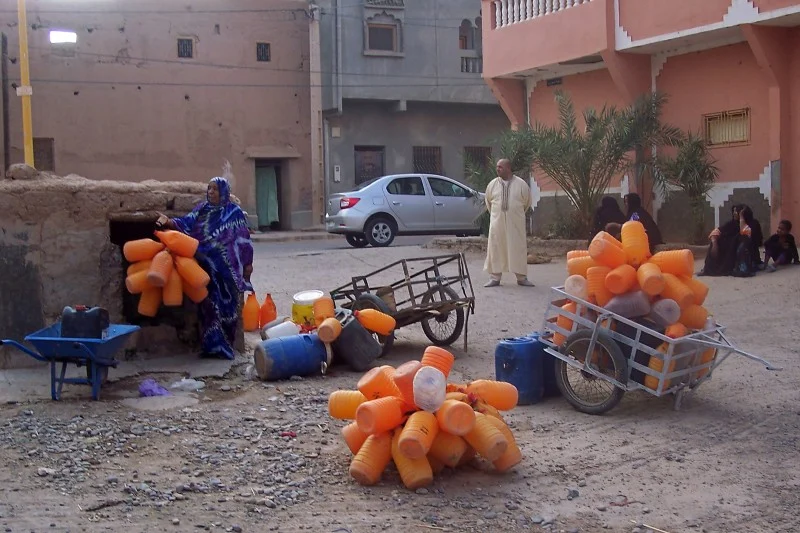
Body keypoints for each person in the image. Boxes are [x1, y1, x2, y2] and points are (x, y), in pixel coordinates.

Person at [157, 177, 254, 359]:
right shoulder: (202, 209)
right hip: (206, 267)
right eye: (209, 189)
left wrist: (248, 264)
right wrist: (168, 222)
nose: (211, 192)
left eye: (215, 189)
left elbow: (244, 241)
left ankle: (227, 347)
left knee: (229, 308)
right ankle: (212, 347)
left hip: (228, 270)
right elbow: (186, 223)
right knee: (208, 305)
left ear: (223, 192)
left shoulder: (234, 213)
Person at [483, 159, 533, 287]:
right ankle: (495, 277)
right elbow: (488, 203)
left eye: (500, 167)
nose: (497, 169)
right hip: (497, 224)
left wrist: (513, 214)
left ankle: (521, 278)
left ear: (508, 168)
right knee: (496, 248)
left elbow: (527, 203)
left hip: (515, 225)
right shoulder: (492, 185)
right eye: (497, 167)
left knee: (518, 249)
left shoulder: (521, 185)